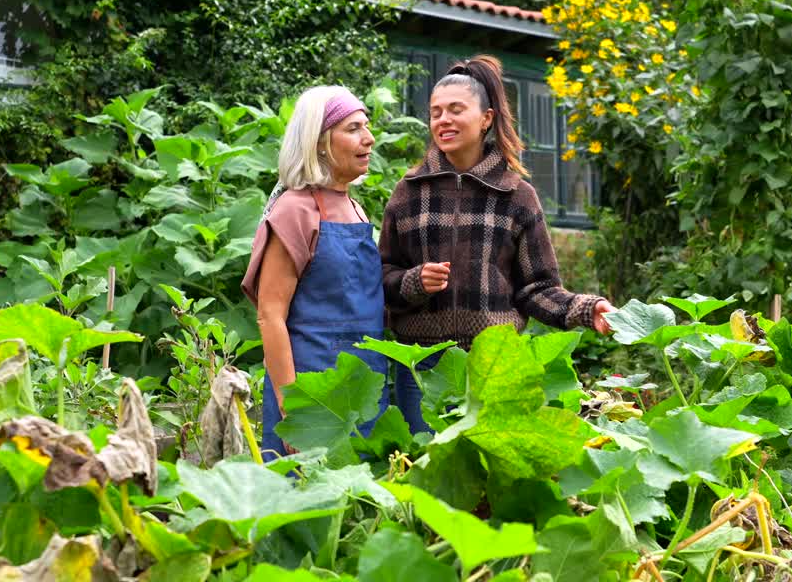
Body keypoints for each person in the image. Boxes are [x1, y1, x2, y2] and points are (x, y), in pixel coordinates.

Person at [379, 55, 618, 434]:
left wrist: (585, 308)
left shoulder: (516, 195)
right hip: (422, 366)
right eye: (436, 112)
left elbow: (536, 288)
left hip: (492, 365)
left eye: (456, 110)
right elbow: (382, 276)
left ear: (486, 118)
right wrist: (413, 283)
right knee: (418, 477)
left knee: (487, 483)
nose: (444, 120)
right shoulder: (408, 193)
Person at [242, 85, 387, 459]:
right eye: (353, 128)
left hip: (362, 387)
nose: (368, 139)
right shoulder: (296, 209)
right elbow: (270, 315)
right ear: (320, 142)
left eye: (366, 127)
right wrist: (295, 408)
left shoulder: (356, 209)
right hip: (312, 390)